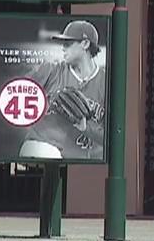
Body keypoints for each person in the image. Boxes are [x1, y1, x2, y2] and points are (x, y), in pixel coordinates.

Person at [17, 19, 108, 160]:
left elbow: (113, 139)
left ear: (85, 44)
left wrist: (86, 128)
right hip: (43, 147)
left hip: (81, 161)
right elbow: (16, 94)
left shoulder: (106, 83)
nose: (63, 48)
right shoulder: (50, 70)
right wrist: (45, 104)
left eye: (68, 43)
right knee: (44, 151)